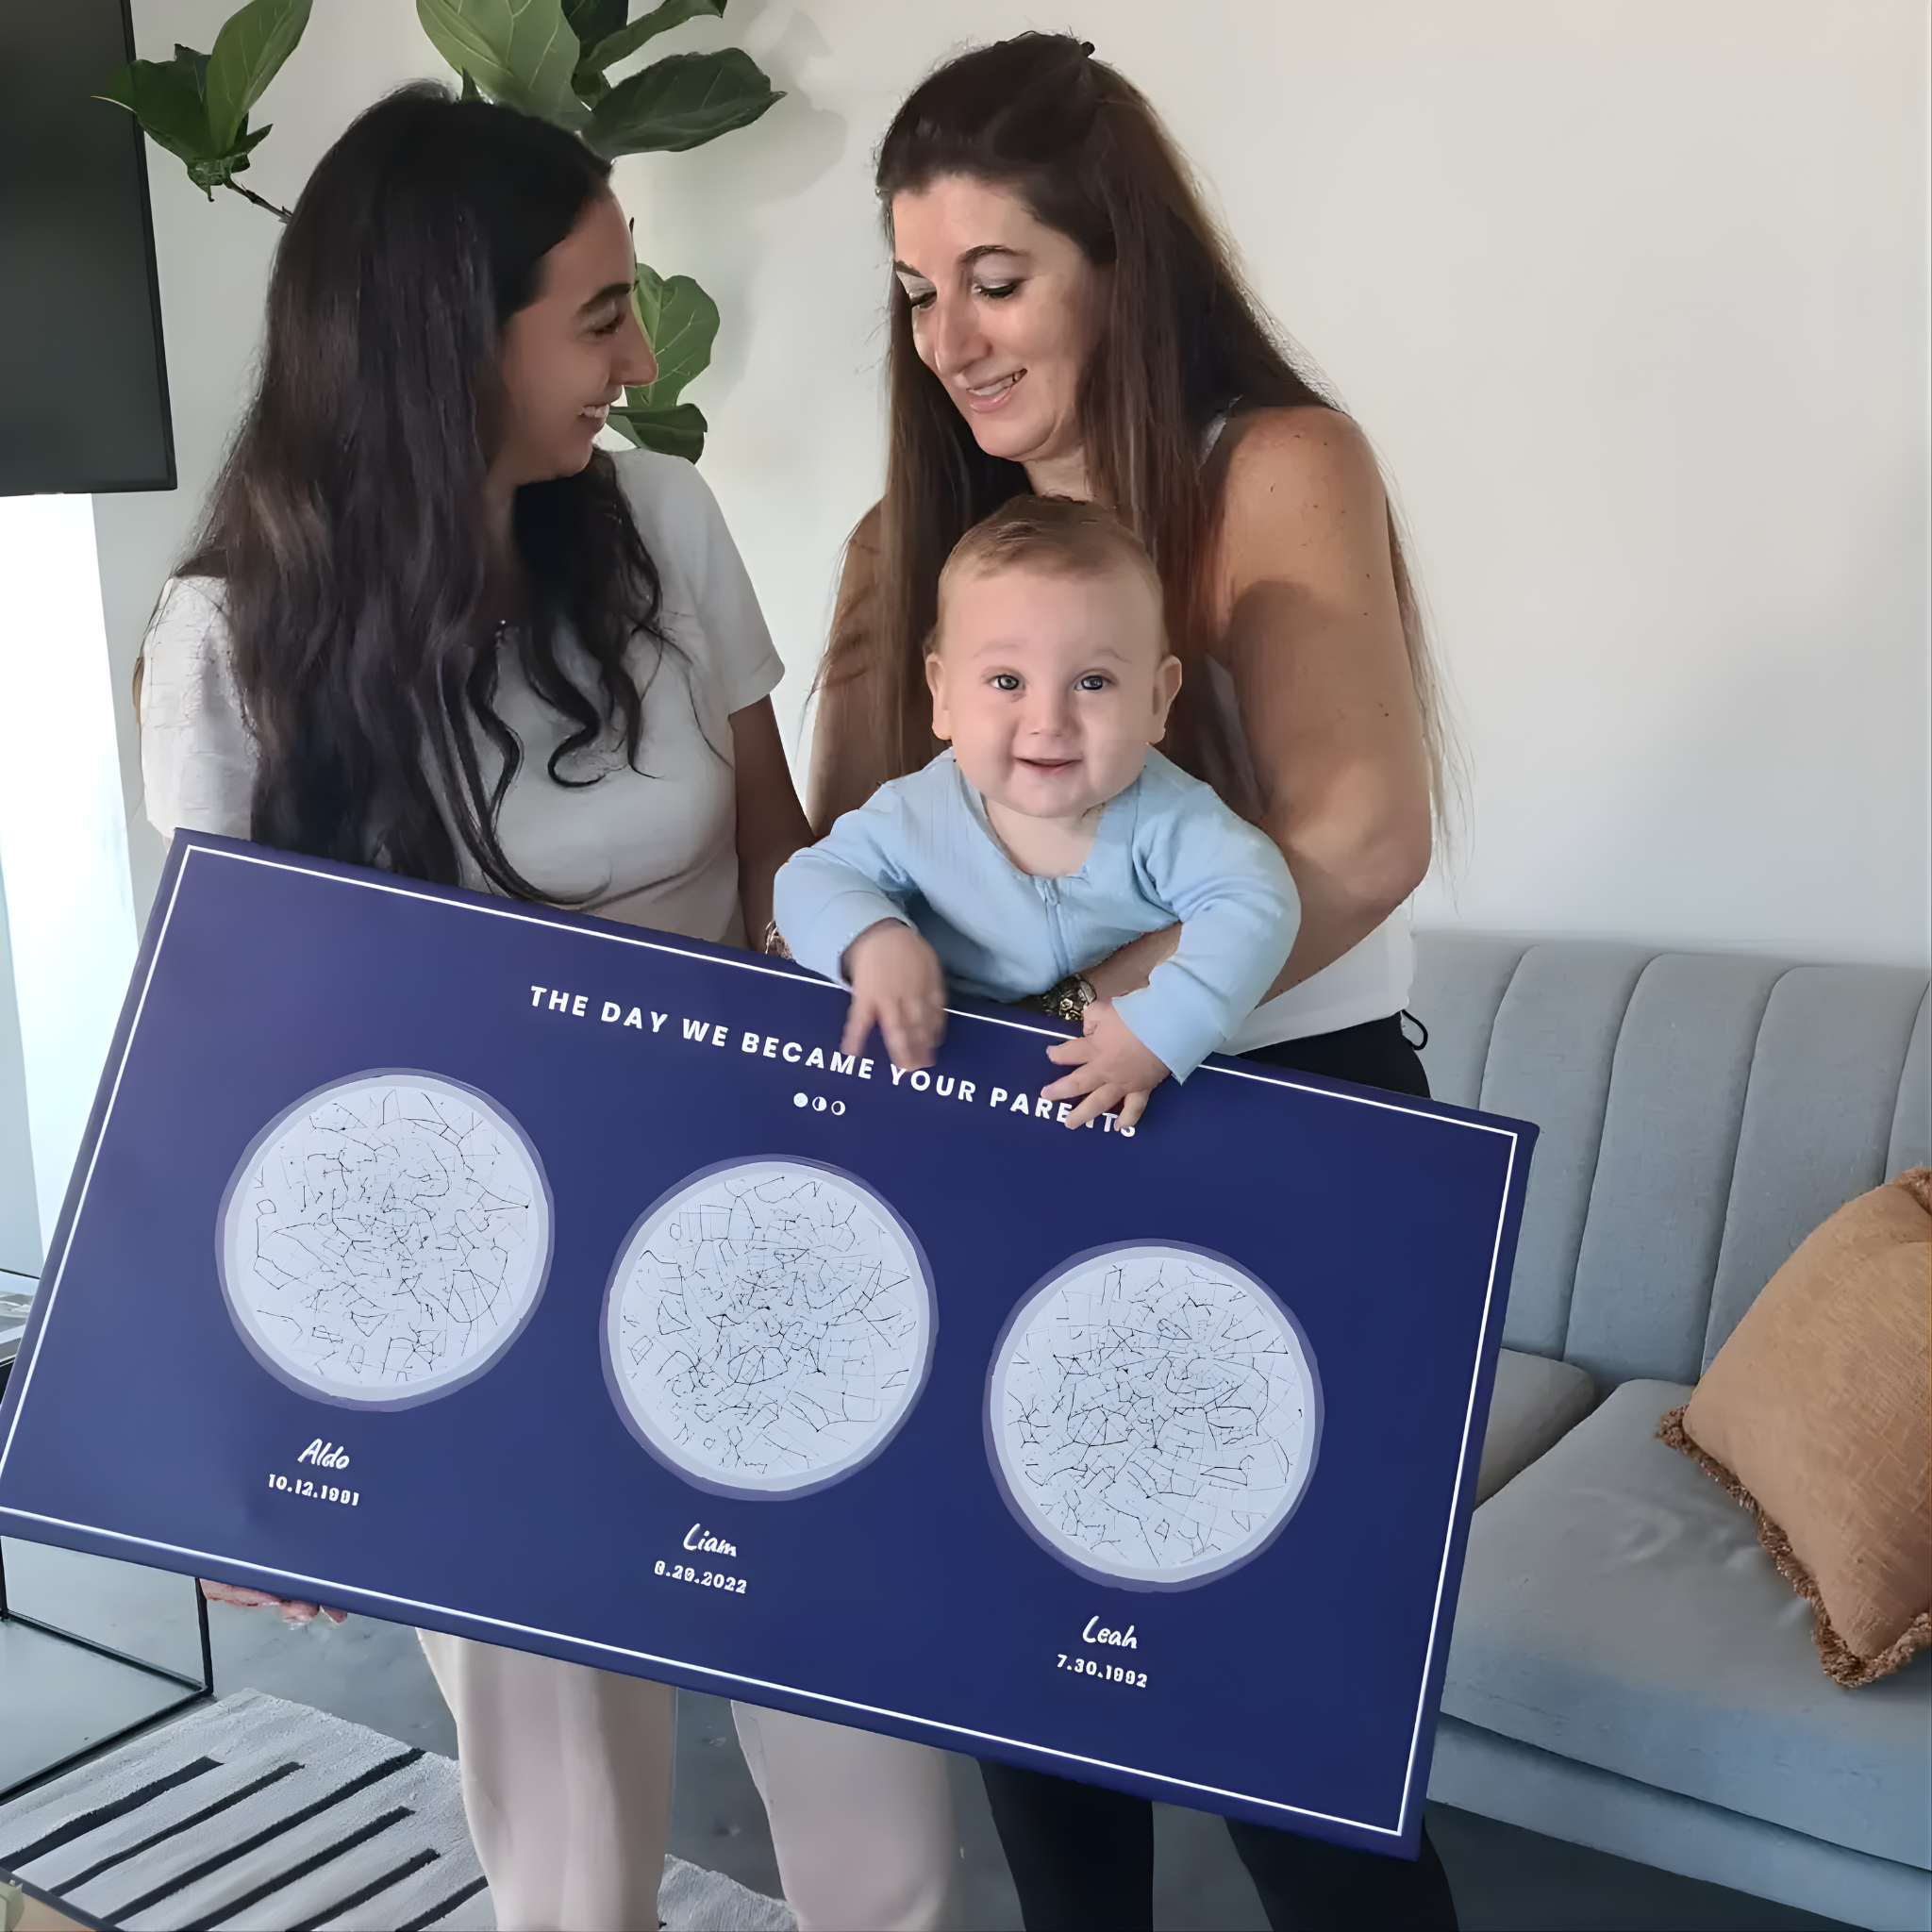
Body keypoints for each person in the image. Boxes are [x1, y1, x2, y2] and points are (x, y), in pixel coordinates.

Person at [136, 87, 958, 1932]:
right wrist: (241, 1419)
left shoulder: (660, 520)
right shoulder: (229, 640)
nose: (633, 349)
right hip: (472, 1299)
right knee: (574, 1877)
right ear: (445, 337)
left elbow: (783, 872)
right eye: (596, 313)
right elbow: (230, 1063)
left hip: (753, 1248)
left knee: (887, 1850)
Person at [806, 31, 1457, 1932]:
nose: (949, 337)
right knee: (1034, 1716)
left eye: (996, 281)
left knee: (1294, 1746)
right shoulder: (896, 542)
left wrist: (1102, 1022)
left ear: (1120, 262)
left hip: (1286, 1123)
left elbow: (1357, 831)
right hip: (1005, 1157)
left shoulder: (1273, 466)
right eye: (920, 294)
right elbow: (869, 865)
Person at [775, 495, 1298, 1126]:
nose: (1049, 722)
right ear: (942, 696)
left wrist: (1161, 1030)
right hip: (942, 1070)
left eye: (1093, 682)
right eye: (1006, 682)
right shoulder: (917, 813)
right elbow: (807, 879)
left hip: (1109, 1081)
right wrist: (873, 939)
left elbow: (1257, 899)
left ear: (1158, 700)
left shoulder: (1170, 820)